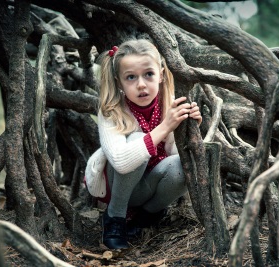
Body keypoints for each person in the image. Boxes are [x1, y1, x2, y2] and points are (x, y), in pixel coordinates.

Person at [86, 39, 202, 249]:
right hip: (119, 188)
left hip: (151, 189)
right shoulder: (111, 110)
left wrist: (188, 130)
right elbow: (121, 162)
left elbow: (178, 156)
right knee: (137, 141)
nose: (141, 84)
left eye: (148, 74)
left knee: (183, 166)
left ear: (161, 73)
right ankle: (115, 220)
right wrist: (166, 126)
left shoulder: (171, 104)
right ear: (118, 82)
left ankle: (145, 219)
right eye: (131, 77)